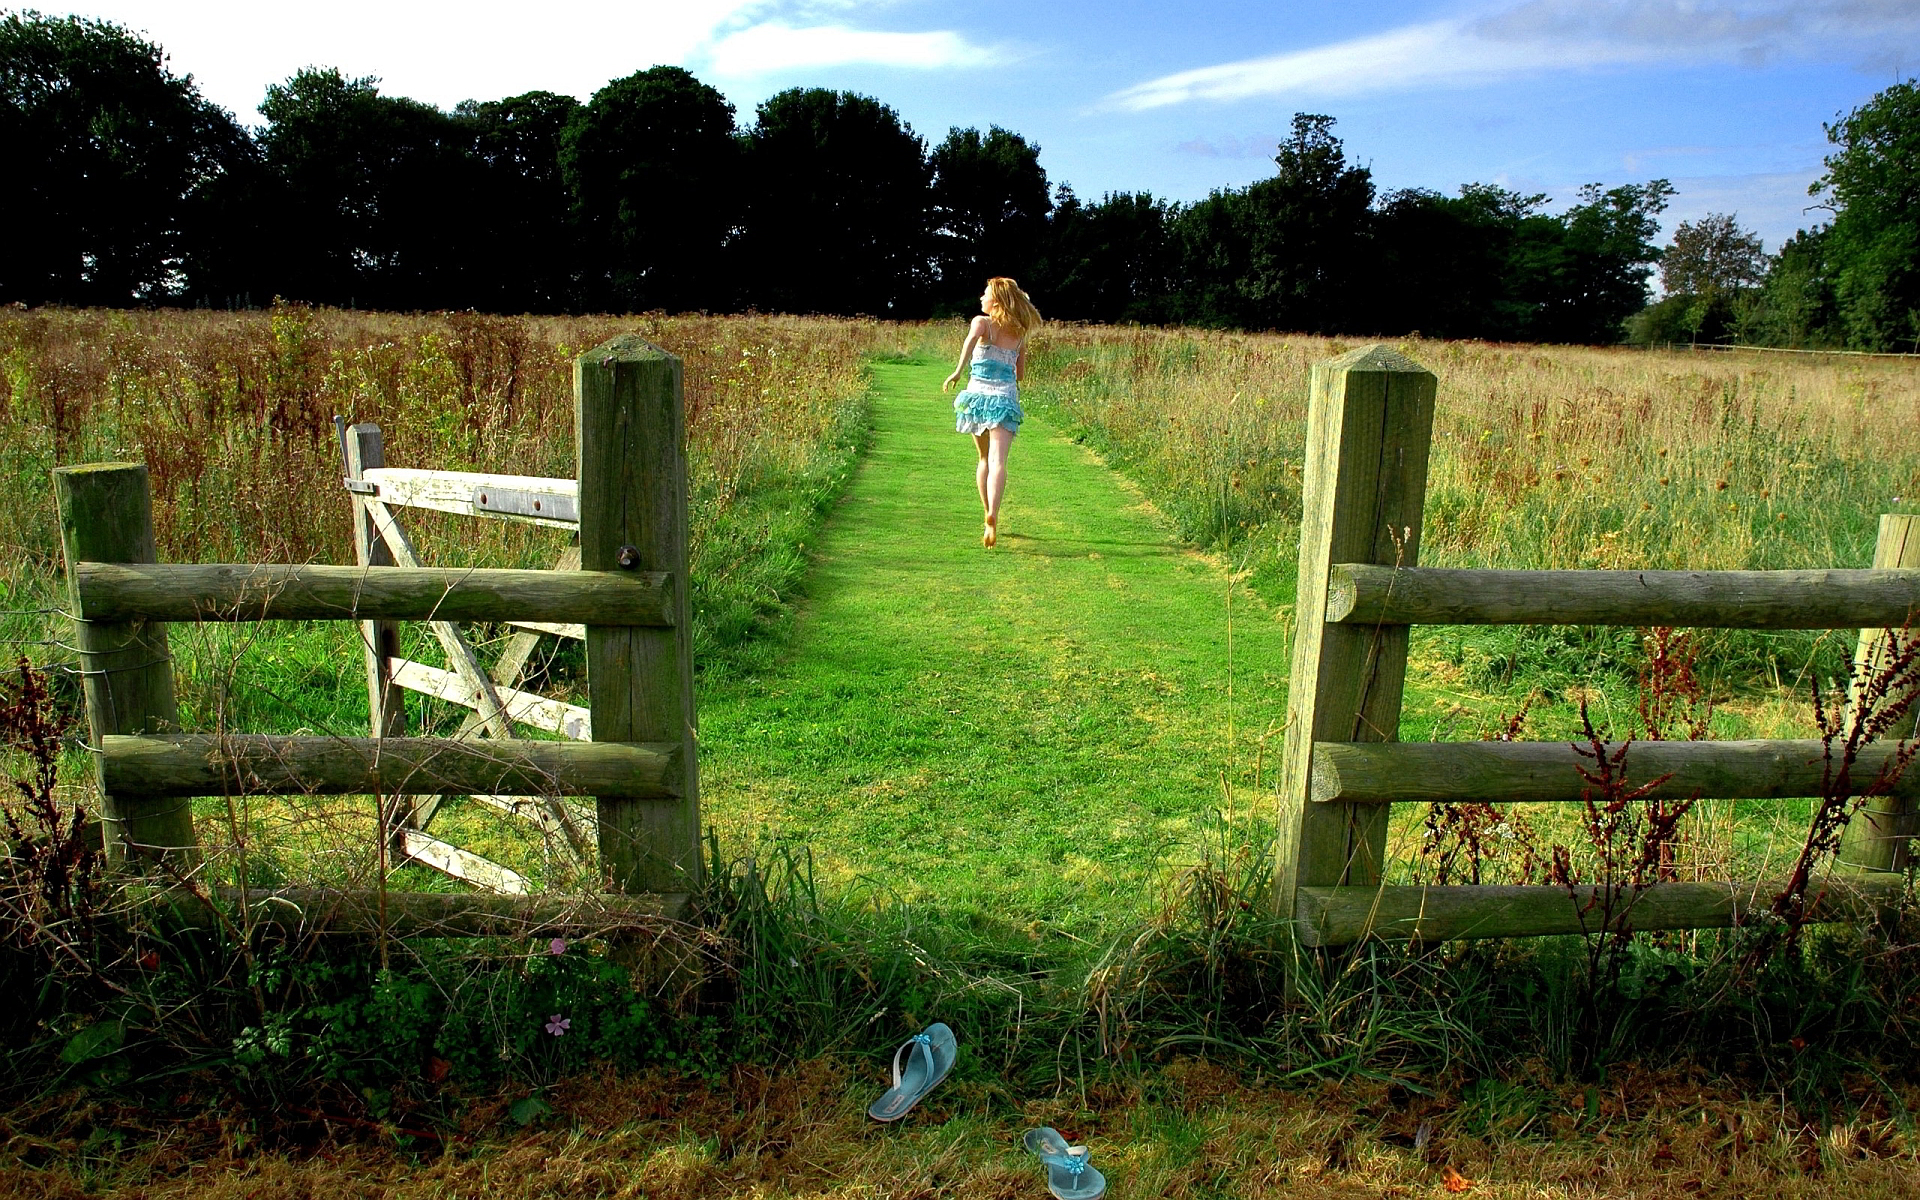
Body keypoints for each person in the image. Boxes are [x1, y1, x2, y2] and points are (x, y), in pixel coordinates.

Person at [944, 277, 1042, 548]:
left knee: (984, 458)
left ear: (995, 301)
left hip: (977, 396)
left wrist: (957, 372)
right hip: (1004, 398)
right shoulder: (1019, 332)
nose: (981, 298)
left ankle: (985, 511)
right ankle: (994, 515)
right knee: (999, 461)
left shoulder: (981, 323)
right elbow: (1019, 374)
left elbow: (968, 345)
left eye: (984, 294)